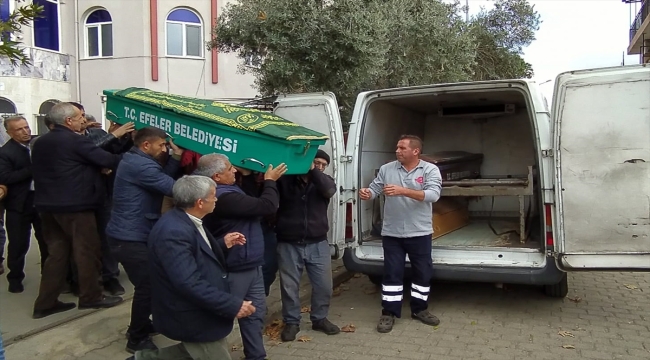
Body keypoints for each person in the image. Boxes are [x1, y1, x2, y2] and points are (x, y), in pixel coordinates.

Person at [128, 175, 253, 360]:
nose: (216, 199)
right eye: (213, 195)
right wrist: (231, 304)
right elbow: (188, 281)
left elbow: (194, 254)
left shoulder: (186, 220)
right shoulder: (174, 231)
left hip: (201, 312)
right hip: (193, 315)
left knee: (190, 352)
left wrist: (220, 244)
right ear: (200, 202)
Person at [31, 102, 124, 319]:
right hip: (76, 206)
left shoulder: (41, 142)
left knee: (56, 254)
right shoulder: (75, 141)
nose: (84, 120)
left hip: (47, 206)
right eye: (80, 116)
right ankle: (91, 297)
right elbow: (109, 159)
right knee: (86, 252)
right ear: (68, 121)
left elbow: (66, 165)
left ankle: (45, 303)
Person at [197, 154, 286, 360]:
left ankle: (256, 356)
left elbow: (251, 199)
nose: (234, 170)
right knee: (222, 316)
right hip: (233, 267)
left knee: (254, 315)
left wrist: (246, 176)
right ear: (217, 176)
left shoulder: (229, 189)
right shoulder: (223, 197)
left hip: (251, 264)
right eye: (230, 169)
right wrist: (270, 180)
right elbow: (266, 206)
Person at [106, 126, 183, 353]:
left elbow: (161, 178)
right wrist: (206, 186)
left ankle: (142, 324)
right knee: (148, 286)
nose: (164, 149)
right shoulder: (140, 165)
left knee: (149, 284)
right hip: (129, 237)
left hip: (131, 234)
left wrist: (176, 157)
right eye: (161, 145)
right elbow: (172, 187)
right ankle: (136, 338)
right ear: (146, 145)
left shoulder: (137, 160)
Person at [358, 135, 442, 333]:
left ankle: (420, 310)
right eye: (397, 147)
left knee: (422, 273)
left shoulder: (429, 170)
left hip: (419, 232)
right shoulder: (387, 169)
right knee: (392, 274)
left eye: (402, 148)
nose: (397, 151)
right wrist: (367, 193)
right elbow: (375, 188)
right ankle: (389, 313)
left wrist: (403, 191)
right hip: (392, 233)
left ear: (415, 151)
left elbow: (433, 195)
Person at [275, 149, 341, 341]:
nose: (320, 167)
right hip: (289, 242)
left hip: (318, 242)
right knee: (289, 286)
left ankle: (319, 319)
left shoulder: (324, 182)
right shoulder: (287, 179)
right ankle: (292, 322)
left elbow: (329, 191)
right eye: (316, 162)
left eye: (323, 165)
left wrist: (314, 171)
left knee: (324, 286)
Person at [0, 116, 48, 293]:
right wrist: (32, 169)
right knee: (18, 244)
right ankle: (15, 278)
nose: (25, 131)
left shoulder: (38, 144)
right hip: (18, 204)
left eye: (26, 127)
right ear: (9, 133)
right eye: (19, 129)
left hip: (41, 200)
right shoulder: (6, 153)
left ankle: (49, 276)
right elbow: (5, 177)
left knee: (46, 241)